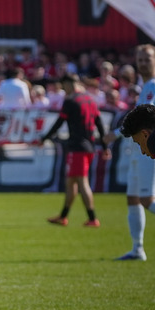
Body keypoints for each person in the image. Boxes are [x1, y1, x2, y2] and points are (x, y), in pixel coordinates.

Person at [104, 44, 155, 261]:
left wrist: (113, 134)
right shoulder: (145, 85)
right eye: (139, 59)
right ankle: (137, 248)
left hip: (152, 147)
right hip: (138, 148)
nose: (142, 63)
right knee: (133, 199)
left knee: (148, 199)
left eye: (146, 59)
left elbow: (141, 119)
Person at [38, 75, 110, 227]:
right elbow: (100, 125)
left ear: (69, 84)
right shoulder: (91, 100)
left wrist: (44, 138)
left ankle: (92, 218)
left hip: (77, 147)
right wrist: (104, 147)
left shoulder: (71, 101)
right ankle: (63, 216)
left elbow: (59, 122)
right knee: (70, 183)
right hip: (89, 147)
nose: (64, 90)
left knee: (82, 182)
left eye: (64, 87)